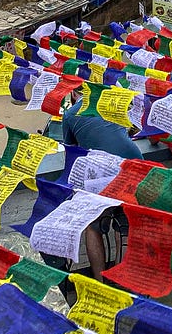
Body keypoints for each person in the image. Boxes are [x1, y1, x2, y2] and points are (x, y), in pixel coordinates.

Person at [59, 99, 140, 279]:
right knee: (123, 223)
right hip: (133, 164)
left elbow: (70, 151)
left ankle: (99, 281)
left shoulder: (70, 113)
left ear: (74, 93)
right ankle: (122, 280)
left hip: (101, 168)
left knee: (93, 227)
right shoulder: (113, 100)